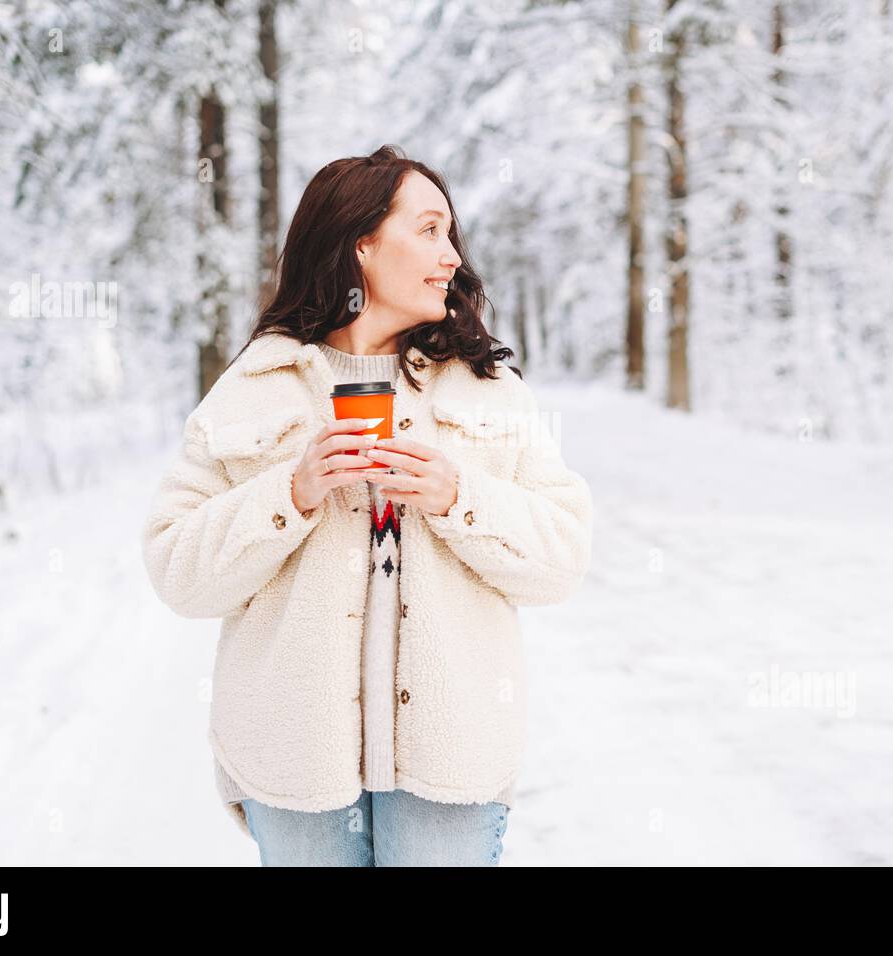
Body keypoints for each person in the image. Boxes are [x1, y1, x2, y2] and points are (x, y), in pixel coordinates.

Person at [141, 144, 593, 866]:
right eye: (428, 230)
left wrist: (459, 497)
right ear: (359, 245)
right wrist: (289, 493)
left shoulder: (486, 389)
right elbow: (176, 570)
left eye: (450, 233)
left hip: (452, 761)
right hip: (293, 763)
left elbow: (563, 559)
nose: (450, 256)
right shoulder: (257, 386)